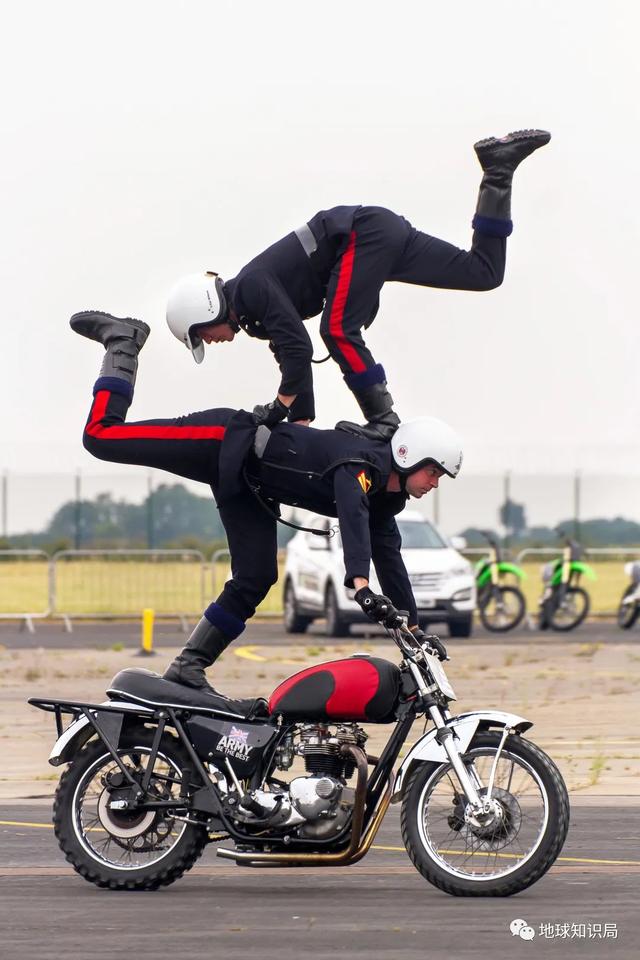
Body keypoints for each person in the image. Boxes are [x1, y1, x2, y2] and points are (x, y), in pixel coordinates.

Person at [70, 309, 459, 696]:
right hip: (226, 439)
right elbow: (351, 506)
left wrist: (415, 631)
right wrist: (358, 583)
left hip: (249, 486)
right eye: (433, 473)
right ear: (408, 455)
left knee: (256, 577)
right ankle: (122, 342)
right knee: (101, 436)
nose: (434, 483)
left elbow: (390, 559)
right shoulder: (364, 463)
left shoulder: (385, 500)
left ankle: (188, 667)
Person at [166, 129, 550, 440]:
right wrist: (300, 423)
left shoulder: (249, 288)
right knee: (483, 273)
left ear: (206, 309)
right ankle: (498, 171)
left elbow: (299, 347)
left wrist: (279, 405)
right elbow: (289, 352)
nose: (210, 342)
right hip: (378, 232)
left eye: (202, 335)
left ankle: (383, 419)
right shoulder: (252, 313)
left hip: (363, 236)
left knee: (336, 329)